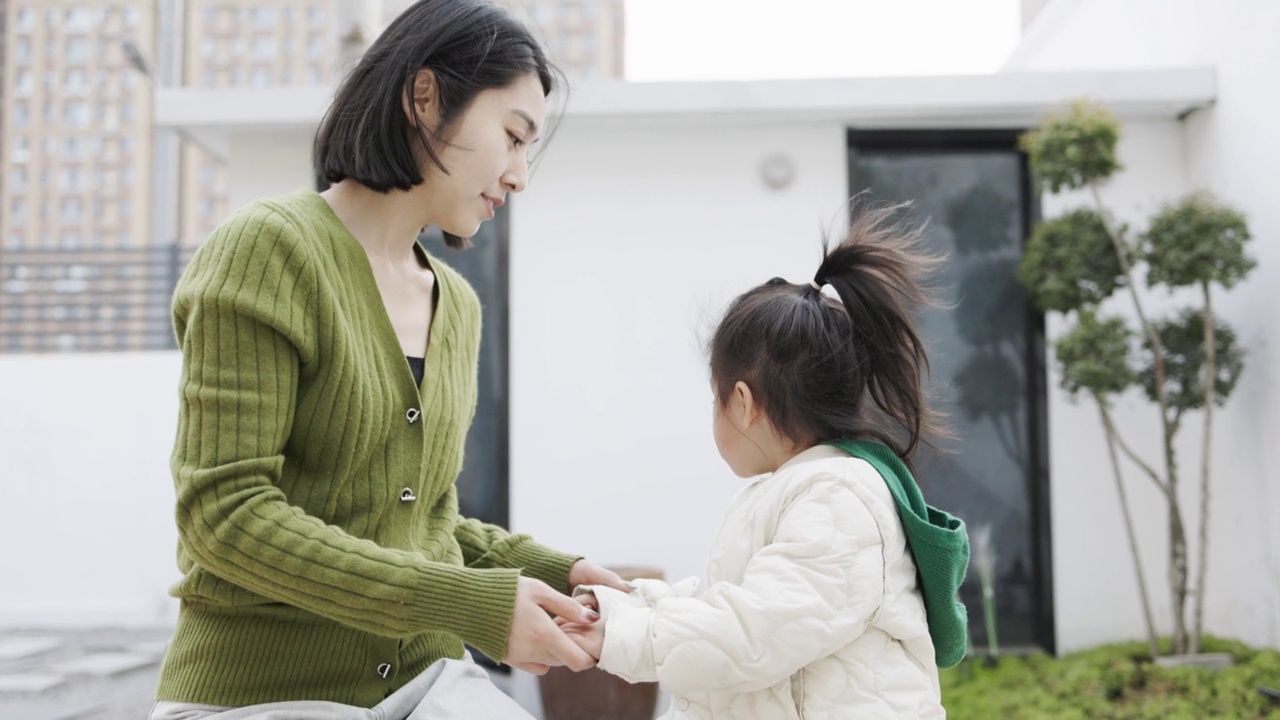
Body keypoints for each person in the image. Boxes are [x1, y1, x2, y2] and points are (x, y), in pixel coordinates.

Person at [149, 2, 627, 718]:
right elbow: (225, 516)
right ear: (424, 96)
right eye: (512, 136)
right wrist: (470, 605)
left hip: (431, 684)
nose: (521, 175)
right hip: (266, 691)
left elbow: (422, 521)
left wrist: (555, 572)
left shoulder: (457, 305)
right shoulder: (268, 250)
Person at [562, 205, 971, 719]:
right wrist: (629, 602)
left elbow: (752, 631)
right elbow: (731, 599)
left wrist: (622, 636)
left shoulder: (839, 496)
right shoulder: (806, 489)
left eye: (714, 399)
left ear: (741, 401)